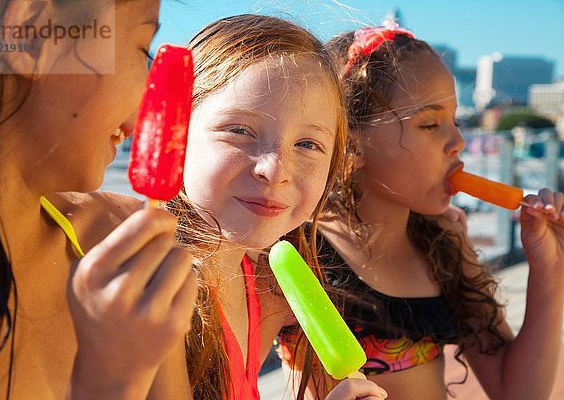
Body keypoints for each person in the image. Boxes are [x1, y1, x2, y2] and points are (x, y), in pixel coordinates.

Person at [278, 22, 564, 399]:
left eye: (455, 120)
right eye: (430, 124)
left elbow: (518, 393)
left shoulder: (445, 243)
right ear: (350, 143)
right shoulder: (298, 251)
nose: (458, 142)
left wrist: (550, 271)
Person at [146, 14, 388, 400]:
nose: (275, 171)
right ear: (174, 130)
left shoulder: (261, 290)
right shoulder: (151, 294)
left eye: (308, 144)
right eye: (240, 131)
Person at [0, 1, 197, 399]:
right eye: (143, 48)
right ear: (35, 32)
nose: (147, 102)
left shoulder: (114, 245)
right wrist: (111, 384)